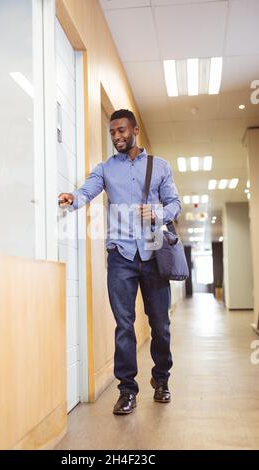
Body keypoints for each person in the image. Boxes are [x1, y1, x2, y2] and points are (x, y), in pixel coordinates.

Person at [58, 109, 181, 415]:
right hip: (121, 257)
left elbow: (175, 204)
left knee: (160, 325)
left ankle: (161, 380)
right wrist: (73, 198)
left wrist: (159, 213)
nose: (116, 137)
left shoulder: (159, 166)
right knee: (124, 326)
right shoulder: (105, 169)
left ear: (135, 130)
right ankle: (127, 390)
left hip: (153, 253)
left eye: (122, 131)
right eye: (112, 132)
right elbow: (87, 190)